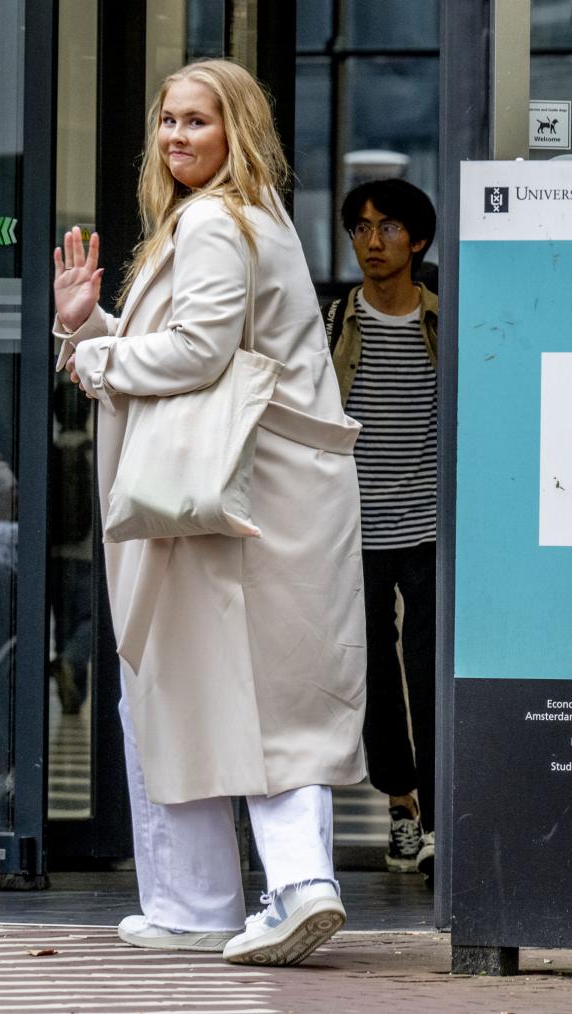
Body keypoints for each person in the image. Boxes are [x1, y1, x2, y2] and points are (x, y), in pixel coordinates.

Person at [52, 59, 366, 967]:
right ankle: (214, 897)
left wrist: (95, 360)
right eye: (167, 120)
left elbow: (198, 351)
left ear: (238, 131)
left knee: (222, 689)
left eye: (198, 120)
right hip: (252, 495)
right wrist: (93, 325)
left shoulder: (214, 224)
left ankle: (279, 887)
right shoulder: (239, 220)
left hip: (236, 500)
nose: (177, 136)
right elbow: (204, 343)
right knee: (230, 687)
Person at [322, 179, 438, 881]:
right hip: (350, 531)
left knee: (428, 674)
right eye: (361, 229)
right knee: (368, 674)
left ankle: (442, 809)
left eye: (388, 228)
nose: (372, 242)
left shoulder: (444, 321)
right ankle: (402, 802)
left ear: (418, 240)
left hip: (428, 529)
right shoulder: (334, 324)